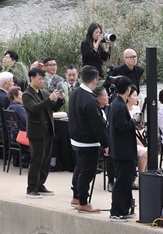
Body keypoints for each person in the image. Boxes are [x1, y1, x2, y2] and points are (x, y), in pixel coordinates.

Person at [69, 66, 109, 213]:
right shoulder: (90, 99)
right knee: (88, 171)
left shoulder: (75, 93)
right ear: (95, 79)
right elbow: (97, 125)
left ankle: (76, 197)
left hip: (75, 138)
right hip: (87, 141)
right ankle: (83, 202)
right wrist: (106, 144)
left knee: (79, 168)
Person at [22, 67, 64, 197]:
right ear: (32, 78)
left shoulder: (44, 92)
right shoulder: (27, 94)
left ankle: (40, 184)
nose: (41, 81)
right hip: (36, 131)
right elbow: (35, 108)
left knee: (46, 160)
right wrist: (50, 99)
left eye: (42, 79)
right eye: (39, 79)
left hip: (48, 130)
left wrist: (60, 100)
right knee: (37, 159)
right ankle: (31, 187)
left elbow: (52, 108)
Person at [108, 79, 139, 220]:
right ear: (128, 89)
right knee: (121, 182)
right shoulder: (118, 105)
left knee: (126, 181)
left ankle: (125, 208)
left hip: (123, 150)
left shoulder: (118, 103)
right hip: (122, 150)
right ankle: (116, 211)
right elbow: (122, 127)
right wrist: (134, 120)